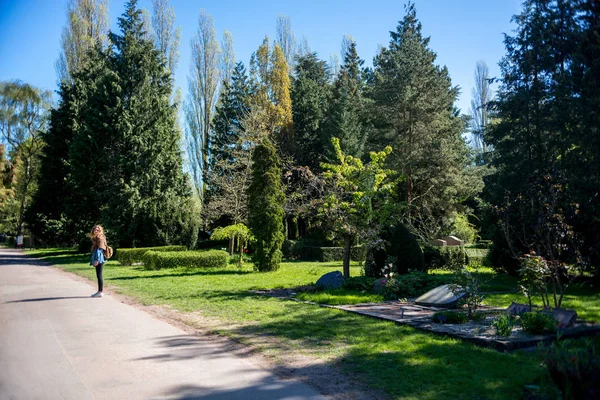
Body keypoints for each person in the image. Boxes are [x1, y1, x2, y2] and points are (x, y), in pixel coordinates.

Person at [89, 225, 107, 298]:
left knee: (99, 275)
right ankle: (100, 291)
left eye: (97, 230)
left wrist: (97, 260)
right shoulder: (96, 238)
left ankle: (100, 291)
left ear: (100, 230)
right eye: (94, 229)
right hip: (98, 257)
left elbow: (100, 249)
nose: (95, 231)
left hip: (99, 258)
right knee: (98, 275)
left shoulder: (100, 237)